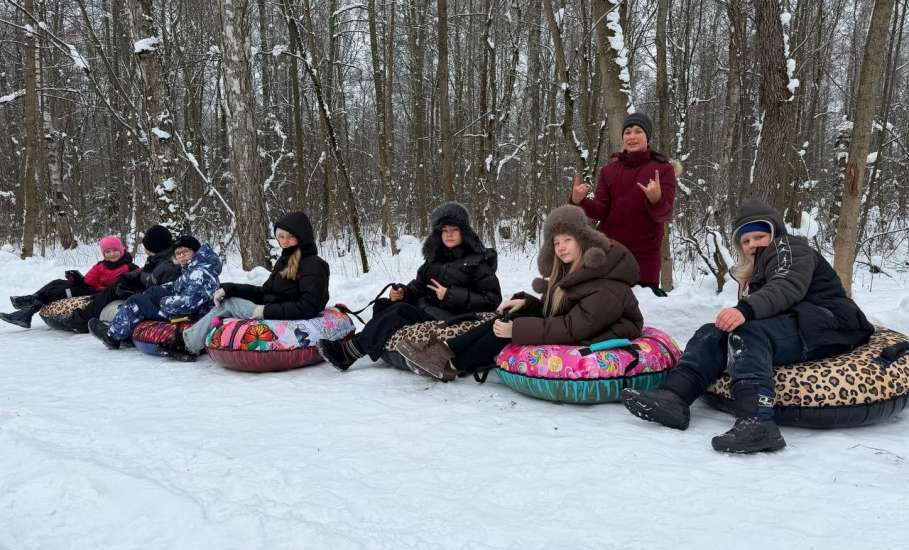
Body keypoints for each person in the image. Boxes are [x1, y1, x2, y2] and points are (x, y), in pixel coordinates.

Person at [622, 199, 875, 454]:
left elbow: (786, 286)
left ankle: (758, 422)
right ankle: (675, 397)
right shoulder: (757, 270)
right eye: (745, 241)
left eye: (759, 236)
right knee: (712, 332)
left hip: (831, 321)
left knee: (748, 333)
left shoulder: (789, 247)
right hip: (800, 324)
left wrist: (745, 310)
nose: (752, 244)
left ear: (774, 233)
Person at [396, 204, 644, 381]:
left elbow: (572, 328)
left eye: (567, 240)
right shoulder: (575, 272)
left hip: (599, 334)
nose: (560, 248)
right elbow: (559, 312)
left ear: (583, 239)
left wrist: (515, 330)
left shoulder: (606, 284)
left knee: (509, 330)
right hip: (580, 326)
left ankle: (452, 365)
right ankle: (443, 349)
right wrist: (526, 304)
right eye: (556, 243)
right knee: (509, 317)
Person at [318, 201, 501, 370]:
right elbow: (418, 287)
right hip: (428, 310)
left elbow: (492, 300)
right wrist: (403, 293)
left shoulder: (478, 262)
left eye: (454, 229)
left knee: (400, 312)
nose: (449, 234)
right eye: (444, 230)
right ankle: (359, 345)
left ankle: (348, 353)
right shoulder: (434, 260)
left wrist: (450, 295)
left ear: (464, 232)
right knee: (384, 305)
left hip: (454, 317)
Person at [173, 211, 330, 359]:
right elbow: (264, 292)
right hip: (274, 308)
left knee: (230, 304)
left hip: (285, 315)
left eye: (291, 237)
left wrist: (264, 311)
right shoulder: (284, 261)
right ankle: (194, 339)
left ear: (302, 237)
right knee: (227, 299)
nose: (285, 241)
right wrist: (230, 289)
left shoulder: (314, 265)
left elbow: (309, 306)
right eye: (281, 237)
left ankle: (188, 344)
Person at [570, 112, 677, 295]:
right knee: (604, 305)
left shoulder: (663, 169)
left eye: (638, 131)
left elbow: (665, 214)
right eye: (627, 132)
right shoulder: (608, 171)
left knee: (642, 306)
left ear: (647, 136)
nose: (632, 136)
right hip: (609, 254)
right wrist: (579, 201)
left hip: (644, 259)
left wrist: (655, 199)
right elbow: (600, 210)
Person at [88, 235, 222, 350]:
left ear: (195, 251)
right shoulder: (195, 268)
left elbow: (189, 304)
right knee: (146, 296)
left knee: (136, 302)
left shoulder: (199, 273)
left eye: (185, 252)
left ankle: (112, 336)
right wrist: (160, 290)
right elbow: (178, 286)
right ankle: (123, 331)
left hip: (188, 316)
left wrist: (161, 300)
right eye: (178, 254)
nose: (181, 256)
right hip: (187, 312)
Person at [60, 224, 183, 333]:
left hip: (149, 297)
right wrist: (125, 277)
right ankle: (82, 316)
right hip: (145, 289)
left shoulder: (167, 266)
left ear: (153, 246)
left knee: (112, 289)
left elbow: (161, 292)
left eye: (145, 244)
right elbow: (143, 273)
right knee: (116, 284)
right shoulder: (158, 258)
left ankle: (81, 321)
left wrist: (130, 290)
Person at [0, 235, 139, 329]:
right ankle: (31, 303)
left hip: (98, 294)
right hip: (89, 288)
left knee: (61, 291)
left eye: (114, 250)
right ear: (104, 254)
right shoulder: (101, 265)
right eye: (107, 252)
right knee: (58, 282)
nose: (111, 254)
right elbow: (87, 281)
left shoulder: (130, 268)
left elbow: (120, 287)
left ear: (121, 250)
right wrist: (76, 279)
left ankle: (27, 311)